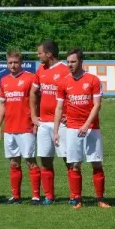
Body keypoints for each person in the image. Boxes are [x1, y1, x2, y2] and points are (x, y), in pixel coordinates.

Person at [54, 48, 109, 209]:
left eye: (73, 61)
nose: (70, 65)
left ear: (81, 61)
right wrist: (56, 131)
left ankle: (101, 198)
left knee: (96, 163)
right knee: (75, 164)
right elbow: (59, 108)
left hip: (92, 128)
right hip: (71, 129)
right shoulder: (63, 82)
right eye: (68, 62)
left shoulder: (93, 80)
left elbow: (97, 105)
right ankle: (77, 200)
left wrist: (86, 125)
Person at [0, 50, 41, 205]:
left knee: (30, 161)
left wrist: (35, 121)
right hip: (10, 129)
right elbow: (1, 104)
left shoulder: (30, 78)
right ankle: (16, 196)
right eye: (10, 63)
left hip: (26, 127)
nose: (13, 66)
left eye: (15, 62)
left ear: (21, 63)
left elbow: (36, 102)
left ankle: (35, 196)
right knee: (14, 162)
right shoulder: (4, 81)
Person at [30, 40, 70, 205]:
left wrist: (70, 114)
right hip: (44, 123)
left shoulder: (65, 70)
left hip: (61, 123)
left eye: (40, 53)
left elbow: (74, 91)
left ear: (49, 54)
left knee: (68, 159)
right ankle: (49, 196)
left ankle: (75, 195)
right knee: (45, 159)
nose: (38, 55)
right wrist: (33, 116)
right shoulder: (41, 70)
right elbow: (33, 93)